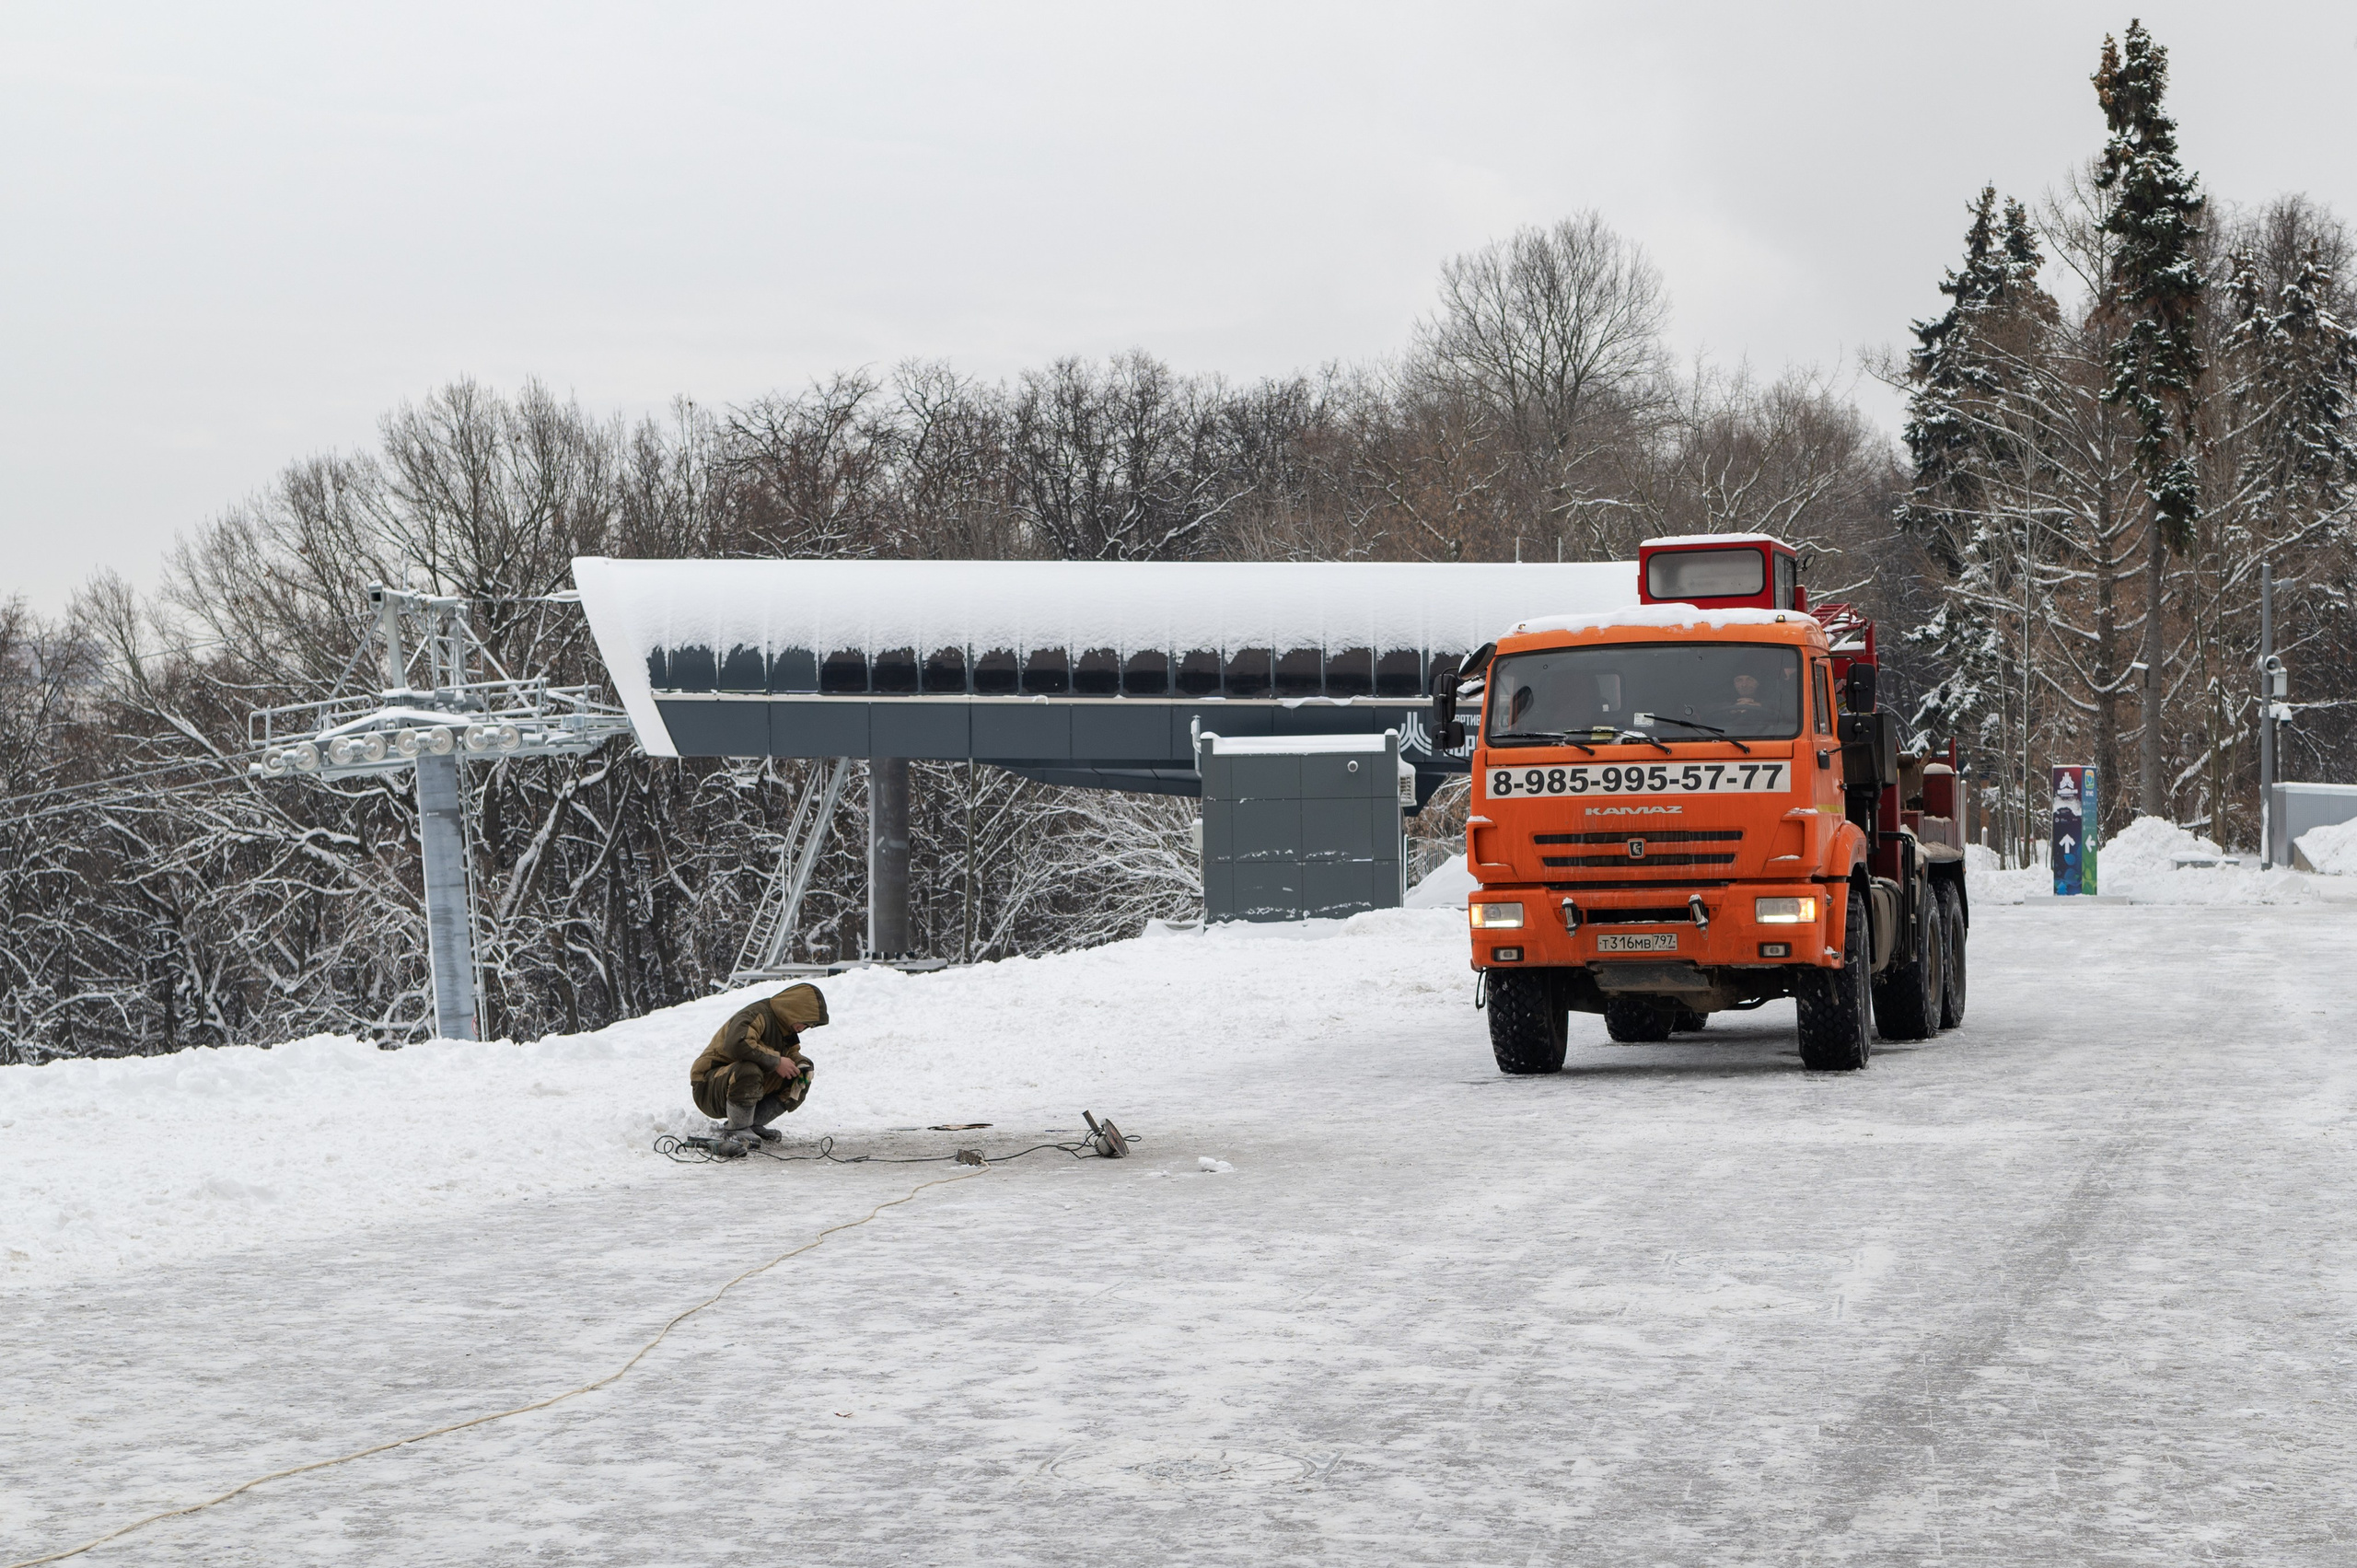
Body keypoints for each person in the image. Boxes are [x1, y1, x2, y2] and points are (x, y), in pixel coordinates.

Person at [691, 982, 827, 1150]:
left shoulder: (786, 1028)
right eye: (806, 1023)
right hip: (707, 1086)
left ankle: (752, 1123)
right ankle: (738, 1128)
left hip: (739, 1083)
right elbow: (737, 1044)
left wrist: (801, 1064)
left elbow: (792, 1053)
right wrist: (776, 1062)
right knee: (749, 1070)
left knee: (801, 1076)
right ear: (795, 1011)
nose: (804, 1029)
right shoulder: (758, 1014)